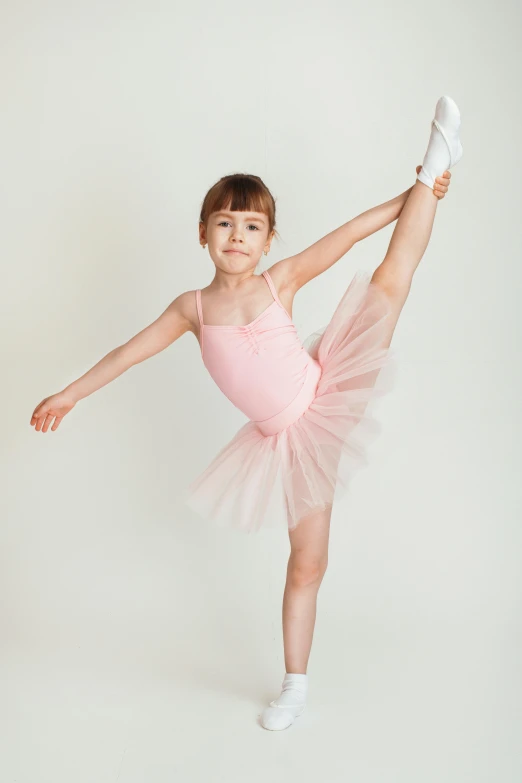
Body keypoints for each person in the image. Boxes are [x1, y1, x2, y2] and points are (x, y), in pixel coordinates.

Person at [30, 96, 462, 731]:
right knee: (307, 564)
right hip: (284, 441)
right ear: (202, 232)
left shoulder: (277, 282)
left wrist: (418, 189)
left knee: (390, 279)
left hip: (326, 392)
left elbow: (346, 236)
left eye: (252, 227)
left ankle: (436, 160)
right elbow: (128, 353)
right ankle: (294, 685)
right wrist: (70, 392)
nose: (238, 236)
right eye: (225, 224)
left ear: (268, 241)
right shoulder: (191, 309)